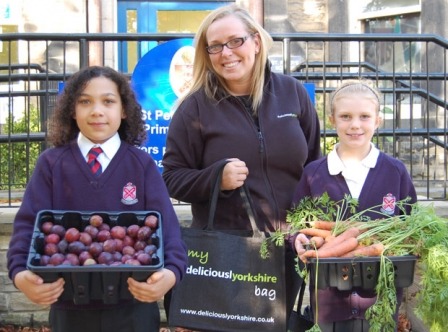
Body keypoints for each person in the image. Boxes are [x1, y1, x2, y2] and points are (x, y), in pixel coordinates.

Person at [161, 4, 321, 330]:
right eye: (215, 46)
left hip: (290, 246)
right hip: (230, 252)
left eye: (236, 41)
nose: (226, 53)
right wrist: (215, 179)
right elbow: (172, 177)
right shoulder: (195, 108)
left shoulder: (292, 94)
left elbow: (315, 167)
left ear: (257, 42)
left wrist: (313, 226)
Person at [7, 66, 188, 332]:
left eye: (108, 101)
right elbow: (27, 225)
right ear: (72, 109)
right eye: (85, 101)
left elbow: (169, 231)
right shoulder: (51, 164)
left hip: (133, 307)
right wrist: (20, 272)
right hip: (70, 308)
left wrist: (171, 272)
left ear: (124, 110)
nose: (97, 111)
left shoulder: (142, 165)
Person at [292, 79, 417, 332]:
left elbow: (411, 224)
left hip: (381, 299)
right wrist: (297, 238)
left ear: (377, 121)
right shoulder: (314, 173)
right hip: (328, 299)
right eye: (346, 116)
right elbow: (296, 222)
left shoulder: (395, 172)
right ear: (332, 119)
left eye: (364, 116)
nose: (355, 125)